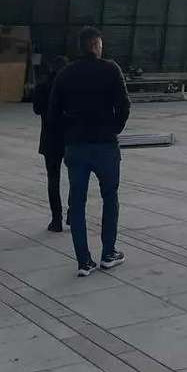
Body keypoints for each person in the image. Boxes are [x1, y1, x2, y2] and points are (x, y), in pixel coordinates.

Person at [51, 27, 130, 277]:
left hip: (76, 146)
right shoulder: (111, 69)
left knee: (77, 202)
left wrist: (69, 134)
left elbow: (53, 113)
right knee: (110, 197)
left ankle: (84, 261)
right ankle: (108, 253)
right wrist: (113, 129)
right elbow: (124, 105)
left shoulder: (65, 73)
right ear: (96, 45)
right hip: (105, 145)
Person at [33, 55, 71, 232]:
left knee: (53, 180)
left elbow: (36, 109)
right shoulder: (72, 86)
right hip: (70, 138)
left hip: (50, 138)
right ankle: (72, 214)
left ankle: (56, 219)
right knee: (76, 178)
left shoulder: (43, 85)